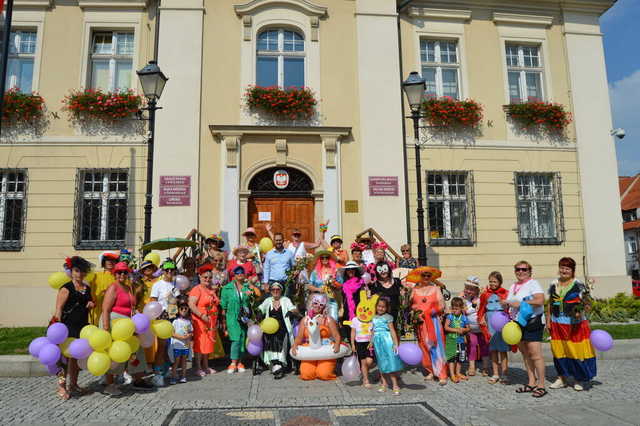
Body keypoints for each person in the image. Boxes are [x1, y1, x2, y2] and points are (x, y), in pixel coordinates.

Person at [101, 262, 153, 395]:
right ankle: (110, 384)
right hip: (114, 323)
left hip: (127, 324)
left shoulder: (128, 288)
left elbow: (131, 307)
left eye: (125, 272)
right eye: (119, 272)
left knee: (135, 349)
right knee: (116, 352)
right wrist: (106, 328)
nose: (122, 275)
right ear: (115, 274)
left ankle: (138, 379)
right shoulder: (113, 287)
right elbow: (105, 309)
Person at [547, 257, 596, 391]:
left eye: (567, 268)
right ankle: (562, 378)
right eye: (562, 267)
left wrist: (580, 312)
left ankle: (578, 378)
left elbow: (587, 304)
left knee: (575, 351)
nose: (564, 271)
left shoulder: (578, 285)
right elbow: (550, 304)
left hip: (574, 324)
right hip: (557, 322)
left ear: (572, 271)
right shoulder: (554, 283)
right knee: (559, 351)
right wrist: (548, 321)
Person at [502, 260, 547, 398]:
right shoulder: (513, 285)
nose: (521, 272)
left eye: (524, 269)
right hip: (518, 323)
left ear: (529, 271)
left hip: (533, 322)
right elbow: (511, 303)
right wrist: (505, 304)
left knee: (535, 355)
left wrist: (520, 303)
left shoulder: (533, 283)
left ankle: (541, 385)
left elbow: (540, 300)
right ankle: (531, 382)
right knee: (526, 354)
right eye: (518, 269)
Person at [53, 256, 94, 399]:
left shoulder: (86, 287)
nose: (79, 274)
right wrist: (56, 327)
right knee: (64, 359)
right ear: (71, 271)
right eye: (76, 271)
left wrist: (90, 304)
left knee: (76, 357)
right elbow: (58, 309)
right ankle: (61, 387)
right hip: (67, 327)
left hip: (82, 326)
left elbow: (88, 301)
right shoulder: (66, 288)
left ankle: (74, 384)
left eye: (82, 271)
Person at [408, 266, 448, 385]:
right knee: (424, 347)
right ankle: (430, 370)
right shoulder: (414, 290)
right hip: (420, 323)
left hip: (433, 322)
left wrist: (433, 311)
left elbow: (442, 306)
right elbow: (411, 306)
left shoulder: (436, 288)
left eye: (428, 276)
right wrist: (415, 313)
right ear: (419, 276)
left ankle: (441, 374)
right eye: (424, 275)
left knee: (436, 346)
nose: (426, 278)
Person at [291, 293, 342, 381]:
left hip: (325, 349)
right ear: (311, 304)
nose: (318, 306)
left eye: (321, 304)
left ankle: (328, 368)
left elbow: (337, 336)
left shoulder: (329, 319)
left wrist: (337, 345)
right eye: (315, 303)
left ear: (324, 307)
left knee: (324, 374)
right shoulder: (305, 320)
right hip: (309, 349)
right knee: (306, 374)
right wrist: (295, 345)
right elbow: (299, 337)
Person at [221, 266, 261, 374]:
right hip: (232, 317)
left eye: (242, 272)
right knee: (236, 339)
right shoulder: (227, 288)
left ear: (245, 274)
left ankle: (240, 362)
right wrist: (224, 323)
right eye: (237, 273)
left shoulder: (248, 287)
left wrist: (252, 289)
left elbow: (257, 297)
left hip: (244, 317)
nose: (240, 274)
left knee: (243, 338)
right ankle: (233, 362)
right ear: (233, 275)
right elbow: (223, 307)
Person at [256, 282, 297, 379]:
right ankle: (275, 364)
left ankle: (279, 364)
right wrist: (259, 312)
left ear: (281, 291)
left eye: (277, 290)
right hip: (269, 327)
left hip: (282, 326)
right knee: (269, 338)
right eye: (273, 290)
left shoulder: (285, 300)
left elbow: (293, 308)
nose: (275, 292)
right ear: (270, 291)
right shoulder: (268, 300)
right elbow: (260, 308)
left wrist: (291, 312)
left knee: (279, 337)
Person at [149, 259, 180, 386]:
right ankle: (157, 374)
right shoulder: (157, 284)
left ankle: (166, 370)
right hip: (161, 317)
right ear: (163, 271)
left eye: (172, 270)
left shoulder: (175, 284)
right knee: (161, 346)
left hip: (172, 316)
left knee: (169, 346)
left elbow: (176, 301)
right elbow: (152, 301)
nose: (169, 272)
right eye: (167, 270)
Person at [478, 271, 510, 385]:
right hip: (490, 324)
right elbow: (481, 308)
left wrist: (505, 304)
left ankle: (504, 374)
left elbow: (510, 309)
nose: (492, 283)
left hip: (502, 324)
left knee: (503, 350)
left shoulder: (505, 293)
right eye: (490, 281)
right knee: (493, 350)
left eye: (495, 281)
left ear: (500, 282)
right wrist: (481, 318)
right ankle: (495, 373)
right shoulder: (485, 294)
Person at [188, 264, 220, 376]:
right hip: (200, 320)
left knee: (208, 344)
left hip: (211, 320)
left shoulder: (211, 289)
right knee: (200, 344)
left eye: (209, 277)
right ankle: (198, 367)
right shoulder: (197, 289)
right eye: (205, 277)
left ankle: (206, 366)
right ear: (200, 277)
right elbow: (191, 305)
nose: (207, 279)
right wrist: (201, 315)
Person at [371, 297, 404, 395]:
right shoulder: (374, 318)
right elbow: (373, 331)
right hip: (377, 342)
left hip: (387, 340)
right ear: (376, 306)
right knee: (381, 363)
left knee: (390, 362)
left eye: (383, 307)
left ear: (386, 308)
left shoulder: (388, 317)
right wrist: (371, 341)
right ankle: (384, 383)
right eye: (379, 306)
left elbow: (392, 331)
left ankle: (395, 385)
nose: (380, 308)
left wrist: (395, 344)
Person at [461, 276, 489, 376]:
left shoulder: (481, 298)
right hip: (471, 329)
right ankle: (471, 367)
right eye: (467, 288)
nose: (468, 291)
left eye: (471, 289)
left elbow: (486, 309)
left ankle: (485, 367)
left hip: (481, 328)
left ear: (476, 290)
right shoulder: (464, 300)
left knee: (484, 347)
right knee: (471, 346)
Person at [349, 291, 375, 388]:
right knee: (363, 362)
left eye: (366, 310)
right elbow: (353, 332)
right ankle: (366, 379)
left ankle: (365, 373)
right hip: (359, 343)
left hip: (369, 343)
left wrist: (372, 341)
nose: (364, 312)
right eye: (362, 309)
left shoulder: (371, 319)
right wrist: (352, 344)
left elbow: (373, 331)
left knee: (370, 361)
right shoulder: (355, 320)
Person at [307, 250, 340, 322]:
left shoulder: (335, 271)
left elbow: (340, 286)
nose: (324, 259)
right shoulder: (315, 272)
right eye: (322, 258)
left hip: (331, 300)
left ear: (329, 259)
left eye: (327, 257)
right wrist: (318, 289)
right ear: (320, 259)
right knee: (318, 322)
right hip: (318, 302)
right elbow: (309, 286)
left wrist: (334, 284)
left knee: (333, 321)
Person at [444, 297, 470, 383]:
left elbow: (468, 328)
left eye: (457, 309)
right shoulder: (450, 316)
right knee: (452, 358)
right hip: (451, 341)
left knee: (460, 358)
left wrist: (464, 330)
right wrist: (456, 330)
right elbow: (446, 327)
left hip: (461, 341)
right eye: (453, 308)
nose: (454, 310)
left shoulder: (464, 318)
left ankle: (458, 373)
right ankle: (452, 374)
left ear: (461, 308)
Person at [89, 251, 119, 326]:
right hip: (98, 309)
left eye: (113, 260)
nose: (110, 262)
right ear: (103, 262)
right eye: (107, 259)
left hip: (115, 310)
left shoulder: (119, 277)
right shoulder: (95, 276)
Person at [169, 303, 193, 384]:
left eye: (185, 308)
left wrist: (189, 335)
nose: (184, 310)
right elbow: (172, 333)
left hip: (185, 345)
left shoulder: (188, 322)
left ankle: (183, 376)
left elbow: (191, 332)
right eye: (182, 308)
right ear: (178, 310)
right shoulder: (175, 321)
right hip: (177, 345)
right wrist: (181, 337)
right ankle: (173, 377)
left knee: (184, 361)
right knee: (176, 361)